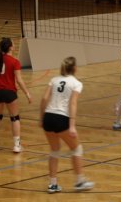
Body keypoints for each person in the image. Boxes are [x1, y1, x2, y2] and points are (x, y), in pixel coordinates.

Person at [40, 56, 94, 193]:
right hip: (62, 118)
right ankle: (80, 181)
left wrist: (41, 118)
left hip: (48, 117)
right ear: (74, 68)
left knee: (54, 150)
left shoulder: (54, 80)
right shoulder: (76, 83)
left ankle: (53, 184)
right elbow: (73, 103)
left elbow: (44, 98)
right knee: (76, 149)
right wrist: (72, 125)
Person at [0, 37, 32, 153]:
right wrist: (27, 93)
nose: (15, 45)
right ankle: (17, 146)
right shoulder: (15, 62)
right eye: (13, 43)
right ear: (10, 47)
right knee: (14, 118)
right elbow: (19, 80)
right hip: (9, 92)